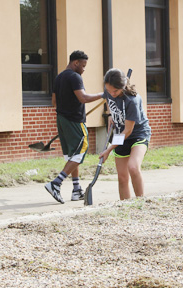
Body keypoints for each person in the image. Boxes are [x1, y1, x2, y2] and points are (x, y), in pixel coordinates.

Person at [45, 50, 104, 203]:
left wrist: (68, 109)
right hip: (75, 121)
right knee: (81, 151)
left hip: (62, 119)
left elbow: (54, 102)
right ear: (76, 63)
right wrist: (102, 95)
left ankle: (76, 190)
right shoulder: (75, 77)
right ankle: (56, 183)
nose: (84, 69)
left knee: (72, 156)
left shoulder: (59, 77)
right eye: (83, 66)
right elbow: (83, 98)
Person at [99, 68, 151, 200]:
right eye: (109, 90)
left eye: (115, 91)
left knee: (133, 167)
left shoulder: (132, 100)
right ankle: (125, 207)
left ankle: (141, 202)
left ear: (122, 86)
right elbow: (108, 99)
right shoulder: (109, 91)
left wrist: (109, 149)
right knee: (122, 177)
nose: (112, 93)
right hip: (120, 133)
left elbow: (128, 131)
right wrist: (111, 114)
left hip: (137, 134)